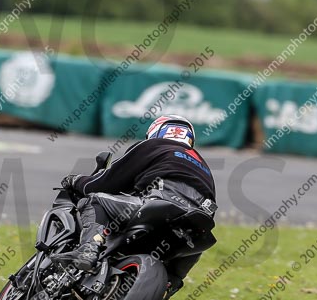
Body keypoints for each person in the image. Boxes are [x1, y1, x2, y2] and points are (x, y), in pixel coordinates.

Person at [50, 115, 216, 281]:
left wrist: (76, 180)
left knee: (95, 200)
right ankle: (166, 289)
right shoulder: (204, 167)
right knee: (186, 256)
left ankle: (89, 249)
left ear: (156, 132)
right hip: (194, 226)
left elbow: (104, 183)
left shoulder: (153, 145)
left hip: (159, 204)